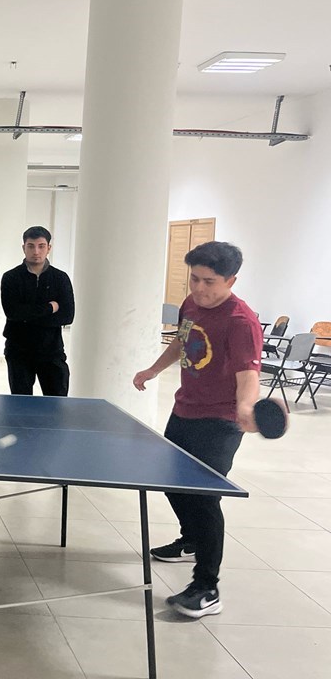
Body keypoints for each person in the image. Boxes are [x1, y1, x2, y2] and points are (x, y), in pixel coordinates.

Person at [133, 241, 263, 618]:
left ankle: (207, 587)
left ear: (231, 280)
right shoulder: (191, 304)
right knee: (172, 483)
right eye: (194, 279)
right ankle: (190, 541)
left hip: (219, 422)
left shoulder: (241, 321)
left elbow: (248, 374)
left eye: (209, 282)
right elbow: (182, 340)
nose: (199, 288)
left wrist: (245, 407)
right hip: (184, 409)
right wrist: (153, 370)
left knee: (204, 499)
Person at [0, 226, 75, 396]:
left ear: (49, 248)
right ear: (23, 247)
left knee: (56, 402)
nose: (36, 251)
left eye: (41, 246)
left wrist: (28, 316)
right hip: (18, 351)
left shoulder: (60, 278)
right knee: (20, 403)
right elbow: (13, 313)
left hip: (51, 351)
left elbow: (67, 316)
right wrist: (50, 308)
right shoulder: (11, 277)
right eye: (31, 246)